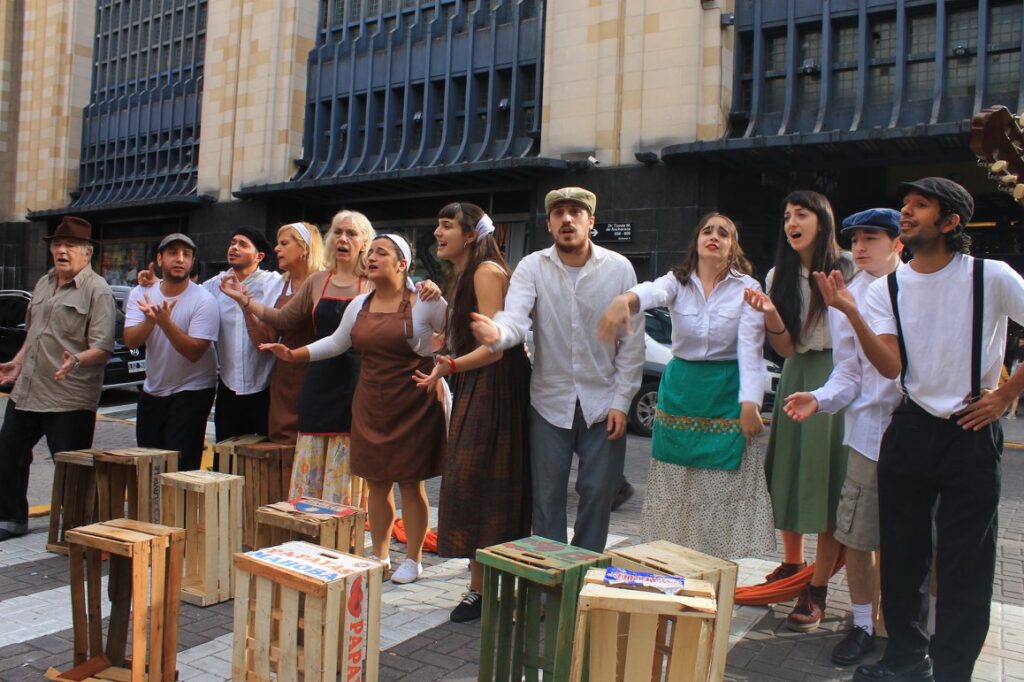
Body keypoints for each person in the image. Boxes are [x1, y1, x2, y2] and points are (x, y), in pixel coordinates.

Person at [812, 178, 1023, 682]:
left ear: (950, 222)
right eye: (905, 204)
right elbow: (888, 366)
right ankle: (905, 662)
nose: (906, 212)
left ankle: (952, 672)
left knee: (965, 564)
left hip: (970, 430)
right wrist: (850, 312)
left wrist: (1007, 394)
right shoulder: (890, 286)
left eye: (920, 206)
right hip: (909, 427)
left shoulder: (990, 276)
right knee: (904, 558)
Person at [261, 234, 447, 585]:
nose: (372, 257)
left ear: (402, 264)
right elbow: (335, 342)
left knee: (411, 483)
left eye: (382, 253)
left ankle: (413, 559)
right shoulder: (360, 303)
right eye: (371, 252)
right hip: (371, 402)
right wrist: (294, 354)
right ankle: (379, 554)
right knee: (376, 484)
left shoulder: (425, 302)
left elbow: (455, 334)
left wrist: (441, 357)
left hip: (414, 403)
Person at [470, 187, 644, 553]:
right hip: (549, 401)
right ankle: (550, 581)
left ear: (590, 222)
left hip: (603, 403)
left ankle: (583, 573)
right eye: (559, 213)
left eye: (576, 212)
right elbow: (516, 318)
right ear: (549, 224)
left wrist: (622, 402)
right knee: (547, 498)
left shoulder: (619, 269)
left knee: (598, 494)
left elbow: (632, 344)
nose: (567, 219)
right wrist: (497, 333)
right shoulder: (533, 267)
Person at [598, 212, 774, 560]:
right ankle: (670, 564)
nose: (714, 236)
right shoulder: (677, 281)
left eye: (723, 233)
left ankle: (713, 568)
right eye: (707, 230)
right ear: (696, 242)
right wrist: (625, 300)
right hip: (681, 391)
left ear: (732, 247)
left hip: (726, 392)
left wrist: (750, 402)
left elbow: (752, 349)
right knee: (675, 486)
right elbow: (651, 291)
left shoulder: (748, 289)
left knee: (719, 490)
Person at [783, 209, 904, 666]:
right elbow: (849, 371)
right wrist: (820, 397)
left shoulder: (914, 287)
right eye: (855, 238)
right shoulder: (847, 296)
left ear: (898, 244)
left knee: (914, 536)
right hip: (868, 431)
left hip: (918, 428)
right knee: (856, 534)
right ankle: (859, 623)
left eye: (872, 238)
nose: (860, 247)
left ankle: (903, 621)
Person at [413, 202, 531, 622]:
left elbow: (497, 347)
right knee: (473, 483)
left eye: (447, 226)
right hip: (479, 385)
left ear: (470, 235)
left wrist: (452, 363)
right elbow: (468, 336)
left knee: (484, 482)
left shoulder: (486, 273)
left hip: (497, 389)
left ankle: (487, 588)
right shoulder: (465, 273)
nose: (438, 233)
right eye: (437, 224)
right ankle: (480, 586)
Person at [745, 189, 854, 632]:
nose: (792, 222)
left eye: (801, 214)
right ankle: (793, 565)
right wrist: (772, 311)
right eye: (787, 215)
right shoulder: (779, 274)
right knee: (790, 473)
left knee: (828, 480)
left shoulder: (849, 266)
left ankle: (819, 587)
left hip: (840, 374)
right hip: (796, 371)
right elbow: (786, 346)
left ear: (822, 219)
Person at [0, 216, 116, 540]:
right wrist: (17, 363)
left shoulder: (98, 291)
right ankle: (10, 518)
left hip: (69, 396)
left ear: (87, 252)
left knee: (70, 467)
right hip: (28, 390)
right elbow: (34, 333)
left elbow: (103, 347)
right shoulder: (43, 283)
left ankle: (77, 526)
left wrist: (76, 359)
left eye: (71, 245)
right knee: (8, 451)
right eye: (57, 244)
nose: (62, 250)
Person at [220, 222, 325, 445]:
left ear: (305, 247)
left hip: (319, 378)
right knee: (282, 449)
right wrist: (245, 307)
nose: (276, 249)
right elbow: (265, 341)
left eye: (284, 243)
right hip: (285, 383)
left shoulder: (327, 282)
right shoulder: (279, 285)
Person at [125, 234, 219, 471]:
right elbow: (131, 340)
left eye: (186, 255)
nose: (180, 259)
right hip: (154, 388)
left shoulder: (204, 300)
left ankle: (181, 509)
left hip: (193, 389)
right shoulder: (141, 293)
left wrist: (165, 322)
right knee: (150, 461)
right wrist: (149, 321)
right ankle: (151, 509)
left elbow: (195, 352)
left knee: (181, 463)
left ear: (192, 261)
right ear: (159, 258)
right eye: (173, 253)